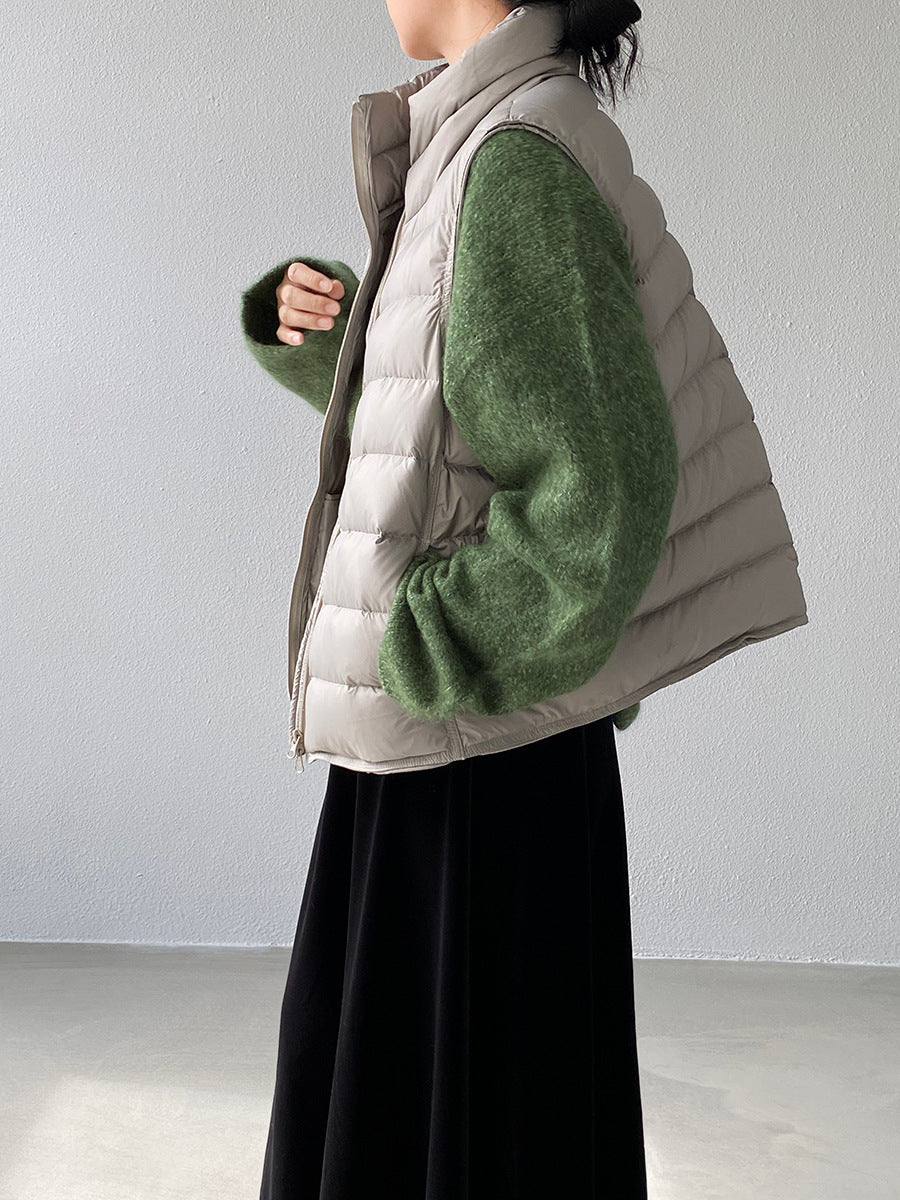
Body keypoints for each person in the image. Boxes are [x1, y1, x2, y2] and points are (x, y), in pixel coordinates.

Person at [240, 1, 808, 1196]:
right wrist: (339, 347)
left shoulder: (514, 160)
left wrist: (429, 642)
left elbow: (598, 502)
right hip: (472, 743)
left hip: (473, 766)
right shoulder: (484, 137)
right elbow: (468, 431)